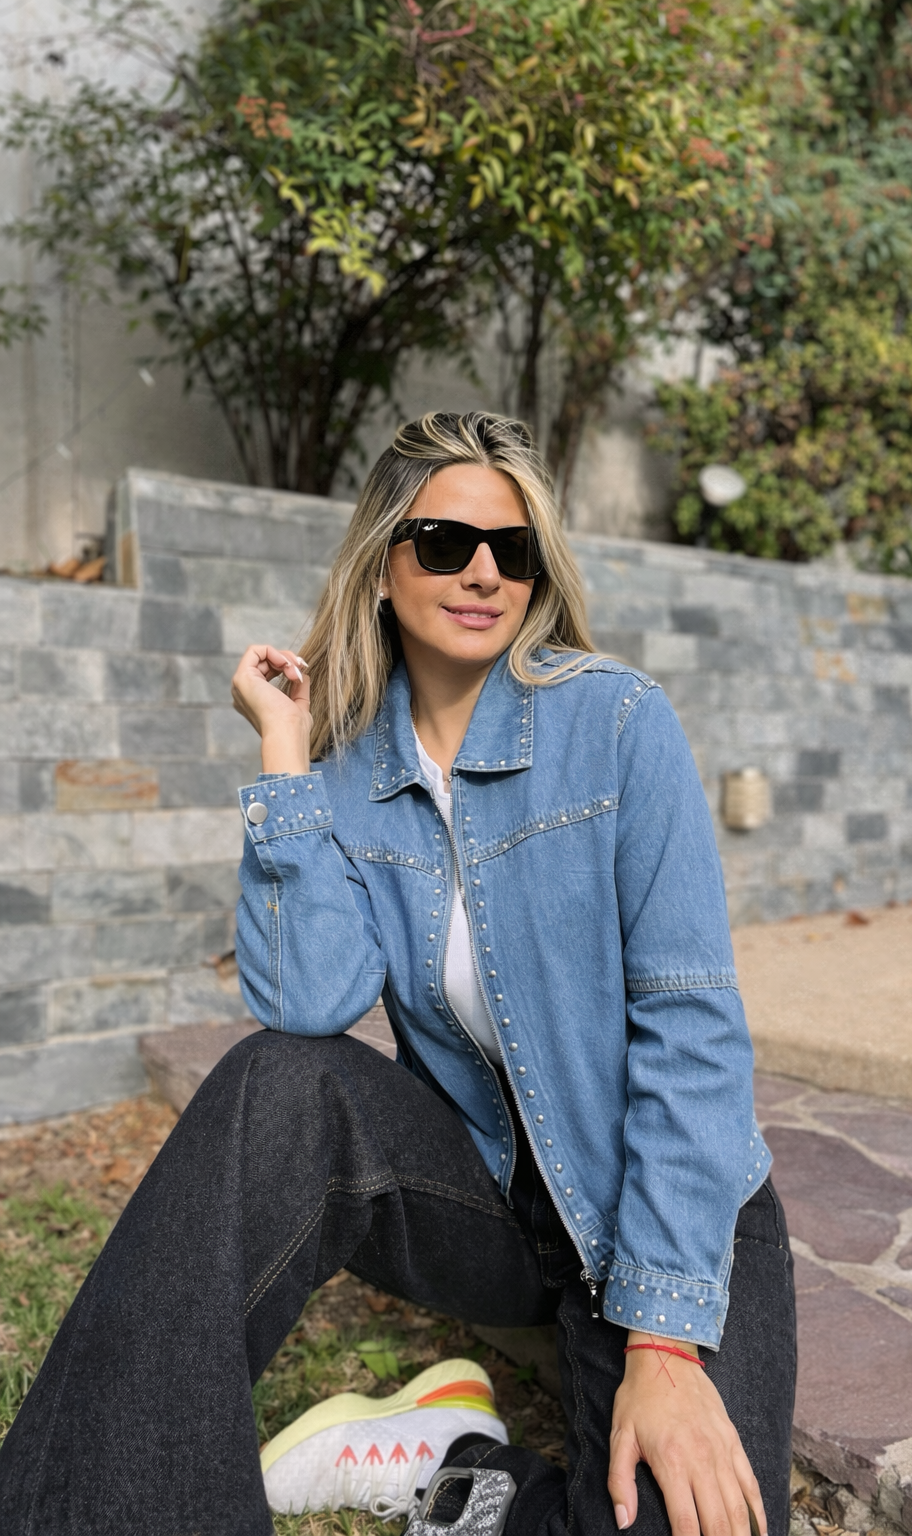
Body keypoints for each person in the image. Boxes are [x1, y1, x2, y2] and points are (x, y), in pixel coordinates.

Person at [0, 412, 795, 1536]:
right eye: (444, 543)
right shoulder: (349, 775)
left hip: (660, 1209)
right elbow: (308, 1004)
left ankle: (453, 1473)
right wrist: (289, 760)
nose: (483, 573)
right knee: (276, 1084)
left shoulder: (615, 723)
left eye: (512, 550)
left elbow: (693, 1029)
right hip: (495, 1213)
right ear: (383, 564)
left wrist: (662, 1338)